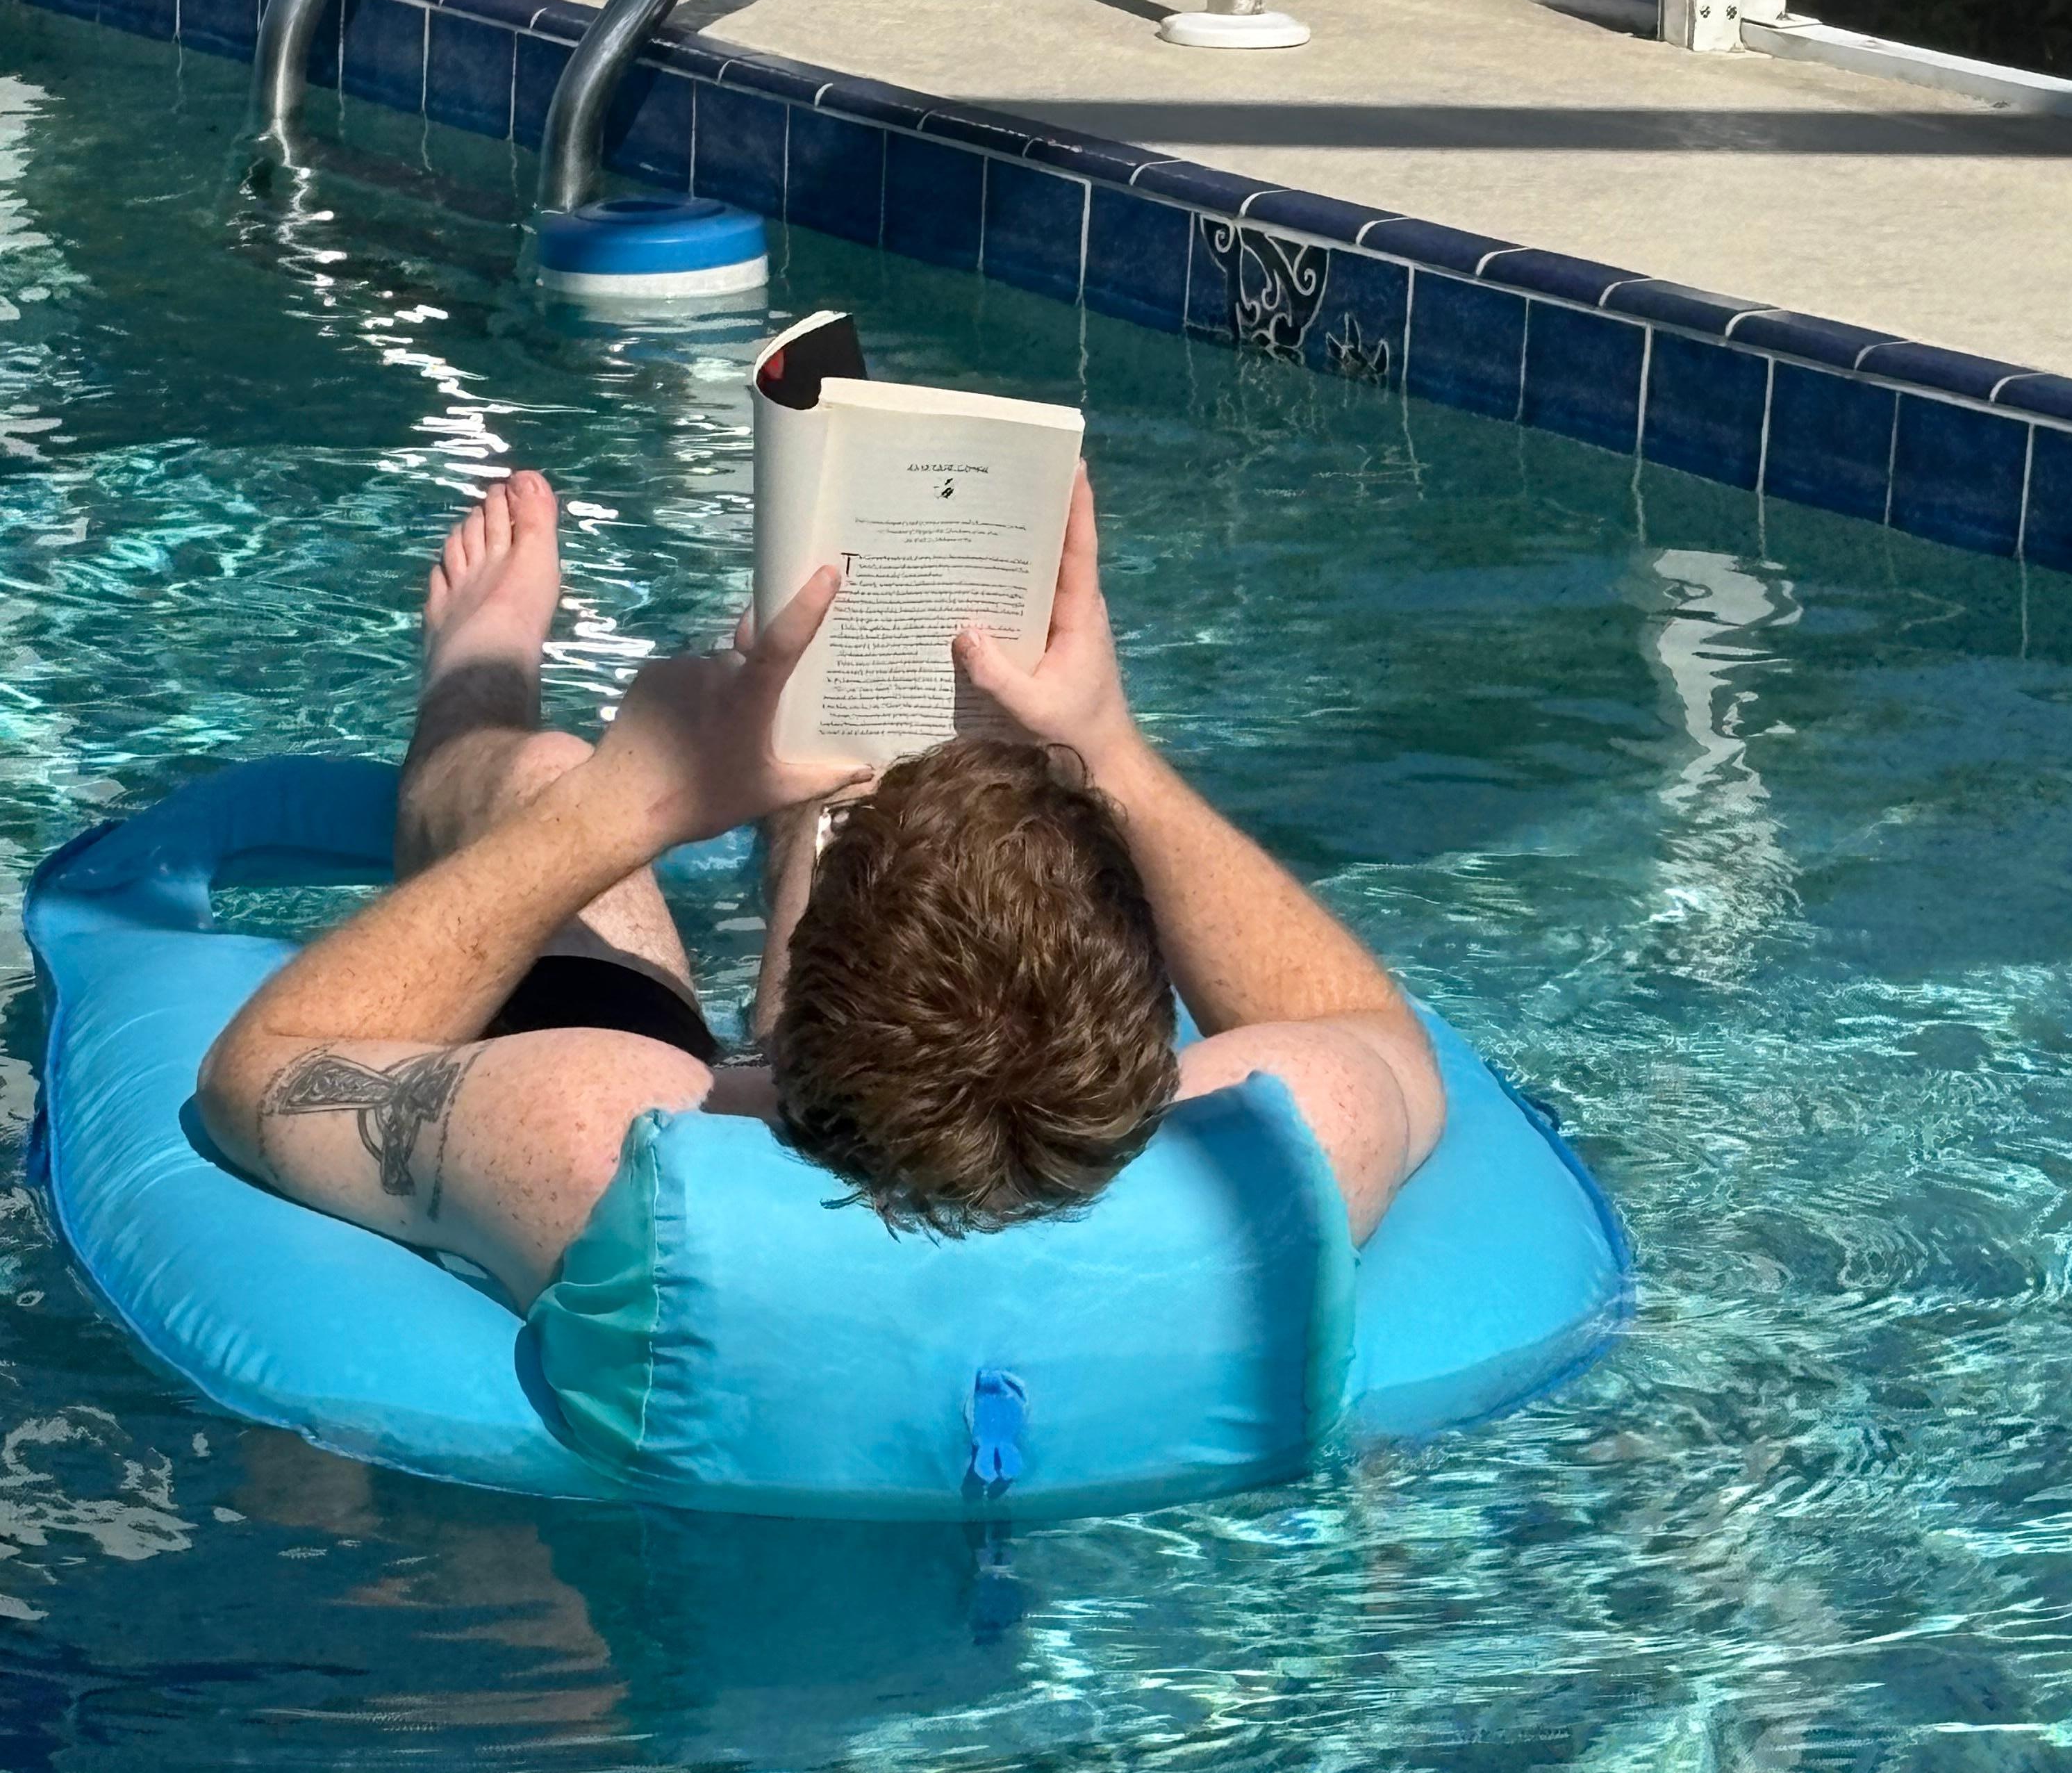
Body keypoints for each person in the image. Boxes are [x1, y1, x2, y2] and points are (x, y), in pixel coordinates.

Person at [199, 466, 1444, 1308]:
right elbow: (1376, 1031)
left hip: (740, 1127)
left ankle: (480, 672)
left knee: (532, 772)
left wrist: (626, 799)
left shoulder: (601, 1144)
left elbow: (264, 1069)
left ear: (783, 1049)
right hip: (973, 1131)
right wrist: (1110, 751)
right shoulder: (1290, 1147)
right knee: (868, 789)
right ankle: (833, 790)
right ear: (1141, 1016)